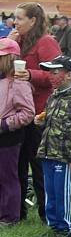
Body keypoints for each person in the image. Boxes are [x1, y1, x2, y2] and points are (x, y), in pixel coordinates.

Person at [7, 2, 62, 223]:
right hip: (19, 111)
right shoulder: (17, 40)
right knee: (18, 163)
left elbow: (57, 75)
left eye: (20, 18)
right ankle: (17, 210)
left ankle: (46, 213)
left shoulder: (46, 42)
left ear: (33, 21)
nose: (15, 22)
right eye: (15, 18)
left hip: (40, 112)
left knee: (38, 164)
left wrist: (30, 74)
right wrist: (9, 43)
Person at [34, 55, 71, 237]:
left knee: (62, 192)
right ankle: (53, 225)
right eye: (50, 73)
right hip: (48, 152)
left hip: (64, 156)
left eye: (55, 72)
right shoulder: (53, 96)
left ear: (69, 75)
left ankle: (65, 228)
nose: (51, 76)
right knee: (50, 191)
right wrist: (42, 120)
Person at [0, 38, 34, 225]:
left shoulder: (18, 83)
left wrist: (5, 124)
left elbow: (28, 113)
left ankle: (10, 216)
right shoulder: (3, 80)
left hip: (9, 136)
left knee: (8, 177)